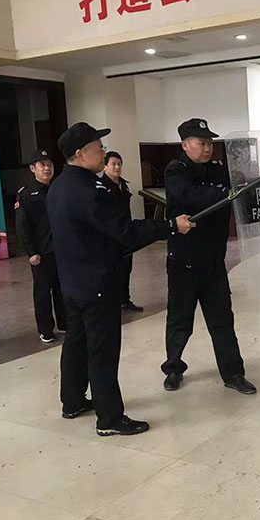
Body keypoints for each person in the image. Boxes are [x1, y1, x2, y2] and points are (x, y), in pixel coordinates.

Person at [47, 122, 194, 437]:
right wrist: (170, 226)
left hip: (72, 282)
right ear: (80, 154)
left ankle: (72, 401)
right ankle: (110, 419)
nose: (103, 153)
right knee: (102, 350)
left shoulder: (59, 186)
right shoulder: (88, 190)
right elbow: (124, 231)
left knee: (76, 344)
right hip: (97, 283)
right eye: (98, 148)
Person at [160, 118, 255, 395]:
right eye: (201, 143)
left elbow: (239, 185)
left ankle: (233, 373)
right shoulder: (175, 170)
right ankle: (174, 368)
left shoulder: (217, 169)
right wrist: (225, 192)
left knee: (222, 320)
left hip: (213, 260)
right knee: (179, 320)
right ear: (185, 145)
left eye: (210, 143)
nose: (207, 148)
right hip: (184, 261)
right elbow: (190, 195)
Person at [15, 149, 67, 343]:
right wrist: (31, 252)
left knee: (62, 290)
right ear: (32, 169)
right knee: (43, 294)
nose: (47, 169)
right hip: (42, 253)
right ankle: (46, 330)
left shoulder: (58, 189)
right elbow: (22, 227)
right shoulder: (26, 194)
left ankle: (65, 323)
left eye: (49, 165)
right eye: (42, 165)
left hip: (61, 250)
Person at [101, 151, 143, 312]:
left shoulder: (123, 185)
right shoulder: (101, 186)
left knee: (126, 269)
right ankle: (111, 302)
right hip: (111, 235)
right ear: (105, 166)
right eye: (113, 164)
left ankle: (125, 299)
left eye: (119, 164)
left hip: (126, 234)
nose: (117, 167)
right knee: (112, 271)